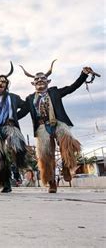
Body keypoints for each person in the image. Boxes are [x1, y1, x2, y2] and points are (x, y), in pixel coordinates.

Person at [18, 60, 95, 193]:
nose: (40, 81)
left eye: (43, 79)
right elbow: (22, 112)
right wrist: (8, 119)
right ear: (33, 83)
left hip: (58, 123)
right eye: (37, 80)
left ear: (48, 82)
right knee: (46, 155)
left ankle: (66, 165)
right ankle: (52, 182)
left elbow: (72, 87)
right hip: (42, 127)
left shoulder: (55, 92)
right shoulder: (30, 99)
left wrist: (83, 75)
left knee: (68, 143)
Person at [0, 62, 28, 193]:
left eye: (3, 83)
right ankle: (5, 183)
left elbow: (26, 107)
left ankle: (18, 167)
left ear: (7, 84)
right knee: (0, 156)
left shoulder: (13, 97)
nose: (0, 85)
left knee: (18, 147)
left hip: (10, 126)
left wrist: (15, 117)